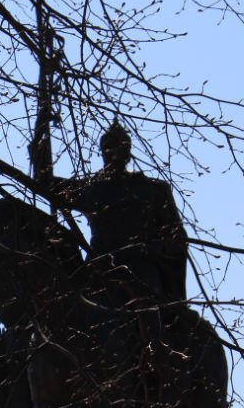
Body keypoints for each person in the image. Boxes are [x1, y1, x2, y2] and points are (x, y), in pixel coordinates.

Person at [46, 120, 188, 312]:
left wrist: (152, 247)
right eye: (107, 148)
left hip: (141, 270)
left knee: (147, 309)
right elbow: (48, 185)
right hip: (98, 269)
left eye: (117, 148)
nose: (112, 154)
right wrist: (41, 149)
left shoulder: (153, 190)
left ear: (128, 152)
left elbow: (177, 238)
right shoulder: (91, 188)